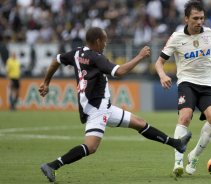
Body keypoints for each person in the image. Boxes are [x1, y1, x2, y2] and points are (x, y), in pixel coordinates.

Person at [38, 27, 192, 183]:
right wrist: (139, 56)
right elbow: (120, 72)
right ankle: (52, 165)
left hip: (101, 106)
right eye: (104, 40)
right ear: (98, 41)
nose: (106, 44)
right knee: (91, 147)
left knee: (139, 123)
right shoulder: (96, 58)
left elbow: (56, 60)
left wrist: (46, 82)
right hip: (97, 108)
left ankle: (176, 143)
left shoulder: (77, 53)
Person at [155, 0, 211, 177]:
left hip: (209, 83)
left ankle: (194, 155)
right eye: (195, 18)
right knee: (185, 116)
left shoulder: (210, 35)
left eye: (202, 18)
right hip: (187, 82)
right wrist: (163, 75)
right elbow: (159, 62)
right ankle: (178, 161)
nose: (199, 22)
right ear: (186, 18)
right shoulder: (176, 37)